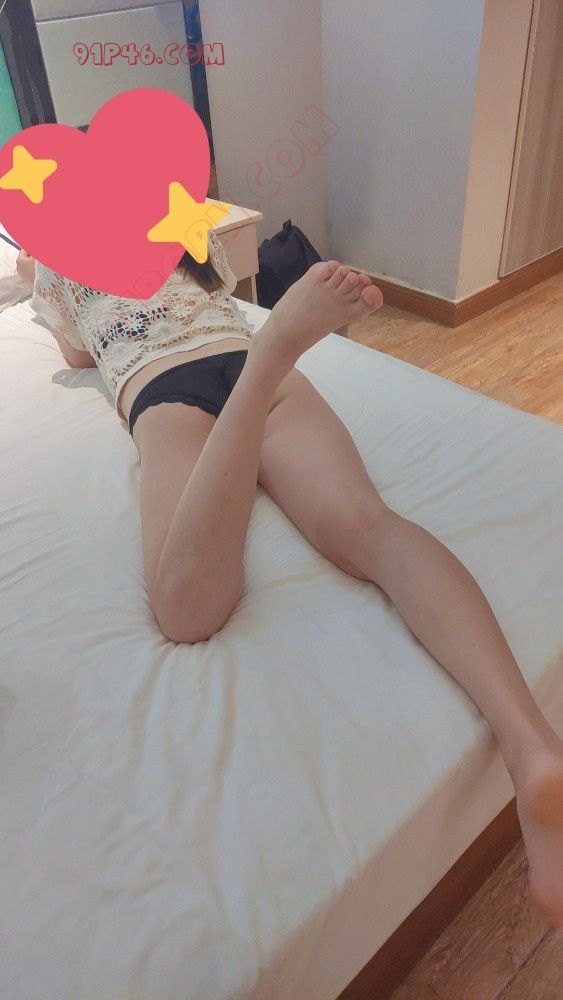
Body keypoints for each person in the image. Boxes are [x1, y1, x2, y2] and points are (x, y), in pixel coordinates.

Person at [17, 235, 563, 927]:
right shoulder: (183, 231)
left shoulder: (59, 258)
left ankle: (271, 352)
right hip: (243, 357)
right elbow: (214, 287)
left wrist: (34, 273)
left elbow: (76, 357)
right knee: (372, 528)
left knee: (185, 609)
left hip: (164, 383)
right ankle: (532, 746)